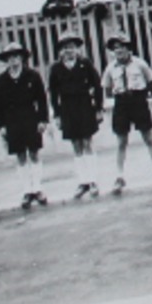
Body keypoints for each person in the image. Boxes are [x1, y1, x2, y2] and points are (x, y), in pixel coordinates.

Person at [100, 33, 152, 193]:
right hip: (121, 103)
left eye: (122, 47)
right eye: (115, 48)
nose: (118, 51)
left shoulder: (139, 63)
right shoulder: (110, 68)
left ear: (128, 48)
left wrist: (144, 94)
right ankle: (119, 176)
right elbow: (107, 88)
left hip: (138, 100)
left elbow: (151, 81)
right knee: (121, 141)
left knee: (148, 138)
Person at [0, 43, 51, 210]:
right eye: (10, 57)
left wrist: (43, 120)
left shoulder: (32, 76)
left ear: (22, 58)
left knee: (34, 153)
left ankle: (37, 188)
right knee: (20, 156)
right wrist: (1, 125)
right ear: (6, 61)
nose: (13, 60)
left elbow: (42, 99)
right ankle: (27, 191)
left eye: (16, 56)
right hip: (12, 122)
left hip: (31, 119)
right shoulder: (1, 81)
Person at [47, 31, 104, 200]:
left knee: (87, 142)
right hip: (67, 108)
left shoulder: (85, 64)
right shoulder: (56, 69)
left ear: (77, 49)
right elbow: (53, 94)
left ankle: (93, 180)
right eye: (65, 48)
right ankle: (83, 181)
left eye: (71, 47)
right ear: (60, 51)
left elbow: (97, 85)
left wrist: (99, 108)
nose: (68, 51)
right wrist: (57, 115)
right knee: (76, 144)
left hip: (85, 105)